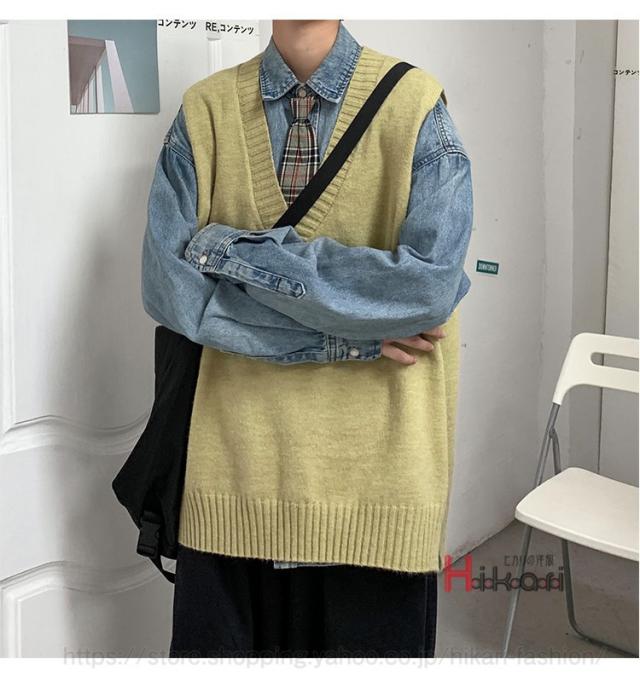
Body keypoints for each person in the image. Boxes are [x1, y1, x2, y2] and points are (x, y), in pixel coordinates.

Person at [142, 19, 473, 657]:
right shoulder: (205, 111)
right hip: (233, 478)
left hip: (375, 488)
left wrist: (228, 250)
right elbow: (168, 289)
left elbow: (428, 289)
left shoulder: (415, 105)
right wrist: (350, 339)